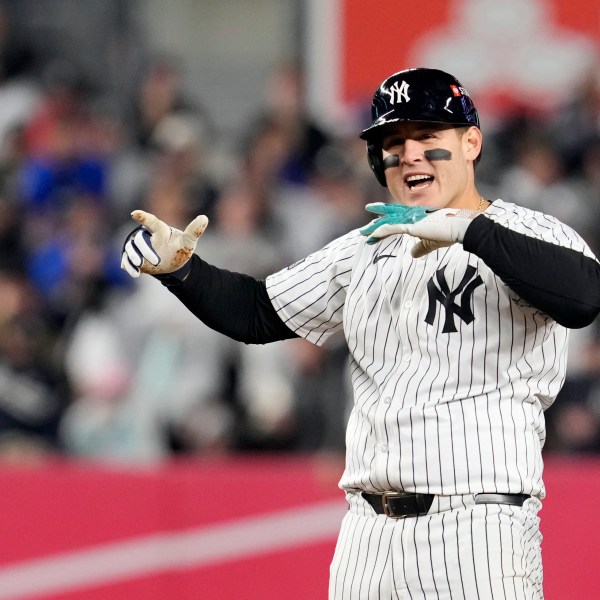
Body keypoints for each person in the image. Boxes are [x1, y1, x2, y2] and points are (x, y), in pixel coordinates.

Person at [121, 67, 600, 599]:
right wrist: (181, 269)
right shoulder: (366, 247)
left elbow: (582, 296)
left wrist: (468, 230)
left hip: (476, 525)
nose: (410, 153)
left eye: (426, 136)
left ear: (471, 143)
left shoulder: (528, 232)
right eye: (393, 142)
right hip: (367, 532)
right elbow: (256, 312)